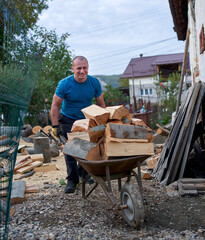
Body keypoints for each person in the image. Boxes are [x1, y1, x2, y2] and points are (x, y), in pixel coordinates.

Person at [50, 56, 106, 193]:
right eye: (78, 68)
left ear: (88, 68)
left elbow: (101, 104)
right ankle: (72, 180)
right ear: (73, 69)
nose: (82, 71)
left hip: (87, 119)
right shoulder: (64, 84)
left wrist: (104, 122)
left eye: (84, 68)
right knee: (71, 150)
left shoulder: (94, 83)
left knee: (88, 148)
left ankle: (84, 173)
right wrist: (55, 126)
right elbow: (55, 105)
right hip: (69, 119)